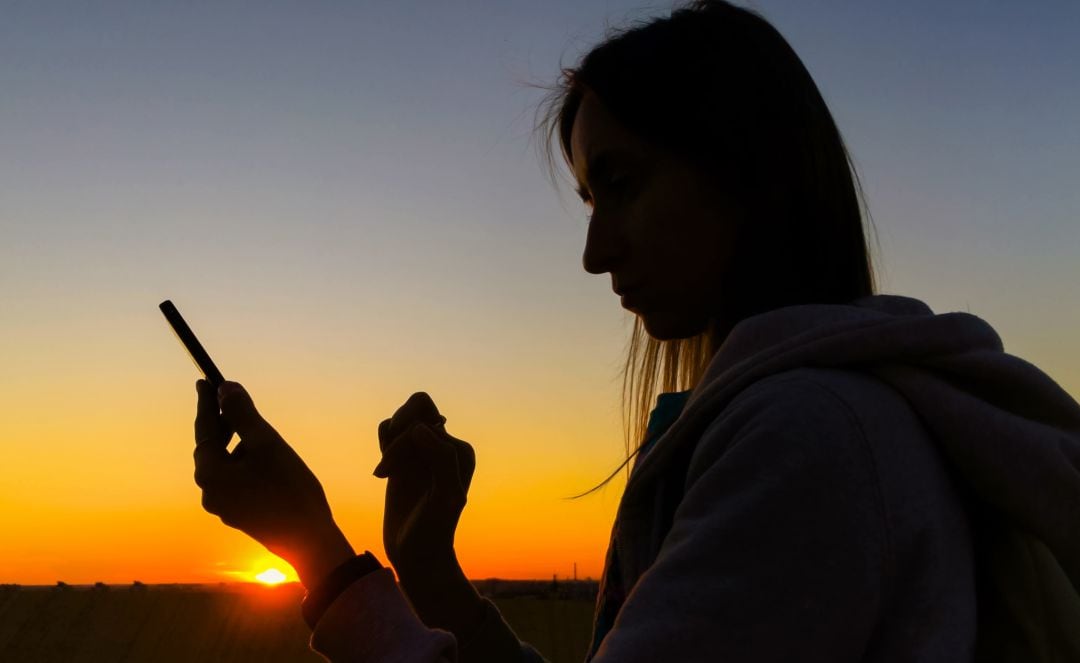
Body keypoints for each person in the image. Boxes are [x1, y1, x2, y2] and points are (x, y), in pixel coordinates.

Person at [189, 1, 1080, 661]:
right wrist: (428, 572)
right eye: (588, 198)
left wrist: (316, 549)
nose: (593, 251)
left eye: (623, 184)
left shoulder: (808, 436)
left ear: (743, 171)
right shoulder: (819, 417)